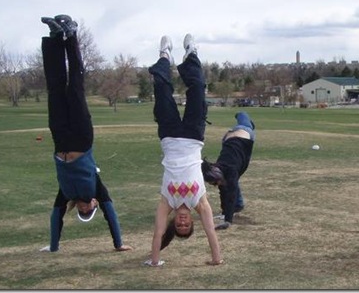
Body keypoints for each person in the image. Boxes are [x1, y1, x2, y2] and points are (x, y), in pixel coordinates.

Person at [39, 14, 132, 253]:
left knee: (55, 88)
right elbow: (110, 214)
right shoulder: (96, 189)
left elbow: (55, 217)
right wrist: (119, 244)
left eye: (81, 212)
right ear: (93, 205)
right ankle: (71, 34)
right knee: (75, 86)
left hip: (60, 140)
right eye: (87, 210)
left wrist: (53, 247)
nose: (83, 209)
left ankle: (55, 36)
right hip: (81, 137)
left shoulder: (66, 195)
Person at [144, 34, 223, 267]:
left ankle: (164, 56)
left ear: (174, 223)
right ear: (191, 222)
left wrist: (155, 261)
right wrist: (216, 259)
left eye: (178, 225)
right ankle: (191, 54)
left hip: (169, 136)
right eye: (186, 225)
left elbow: (158, 234)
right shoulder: (200, 202)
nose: (182, 222)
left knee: (161, 89)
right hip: (192, 137)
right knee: (198, 88)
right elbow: (211, 231)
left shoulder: (166, 202)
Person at [201, 111, 256, 230]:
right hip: (227, 139)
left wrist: (228, 220)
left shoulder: (230, 171)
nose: (216, 185)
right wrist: (225, 211)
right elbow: (224, 192)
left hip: (244, 135)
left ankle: (242, 114)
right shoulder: (219, 170)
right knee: (232, 183)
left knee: (246, 123)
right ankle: (239, 205)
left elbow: (230, 194)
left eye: (215, 183)